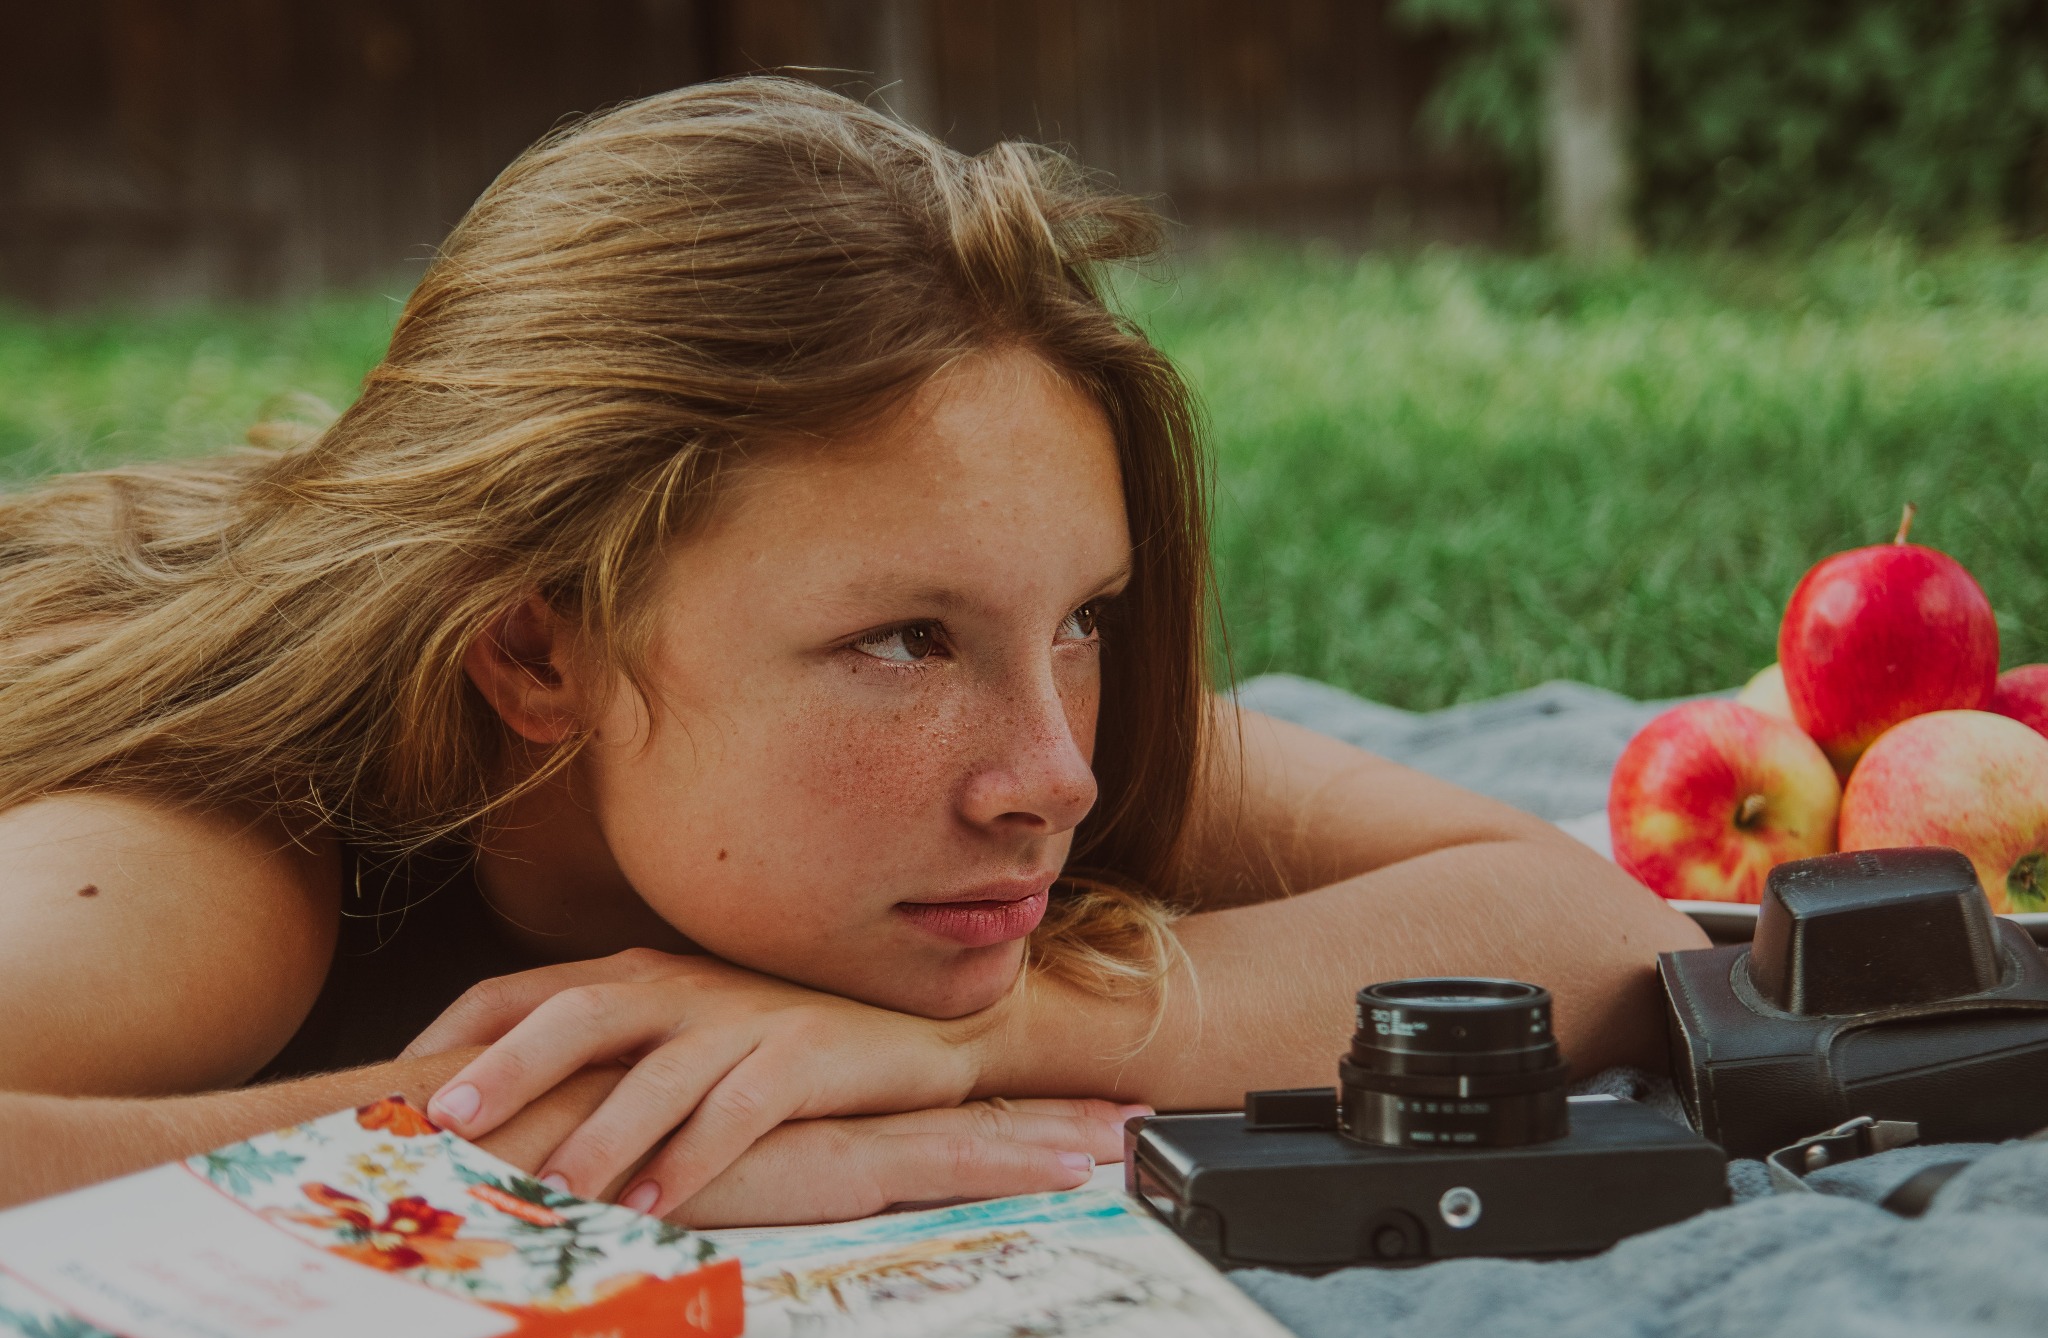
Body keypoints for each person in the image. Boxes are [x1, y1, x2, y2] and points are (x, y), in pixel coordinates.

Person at [0, 78, 1705, 1225]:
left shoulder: (1000, 721)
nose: (1055, 774)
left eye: (1085, 621)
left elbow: (1595, 926)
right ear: (535, 655)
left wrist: (993, 1034)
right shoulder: (213, 859)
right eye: (905, 641)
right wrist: (520, 1121)